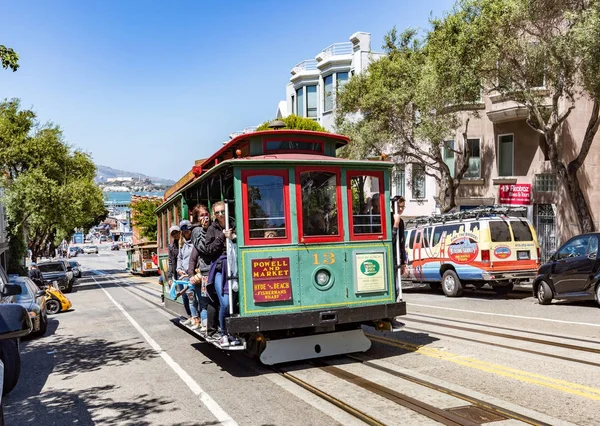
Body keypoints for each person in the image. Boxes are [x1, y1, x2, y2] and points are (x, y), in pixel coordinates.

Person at [205, 201, 237, 347]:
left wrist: (233, 237)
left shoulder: (235, 223)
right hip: (219, 268)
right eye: (217, 212)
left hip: (235, 266)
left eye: (222, 211)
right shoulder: (212, 229)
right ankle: (224, 333)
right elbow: (209, 249)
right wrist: (222, 237)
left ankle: (232, 333)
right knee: (225, 302)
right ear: (214, 214)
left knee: (234, 303)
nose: (220, 215)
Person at [188, 204, 218, 334]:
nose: (205, 217)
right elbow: (205, 249)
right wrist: (205, 229)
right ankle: (207, 327)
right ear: (196, 218)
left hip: (216, 267)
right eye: (201, 215)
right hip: (206, 271)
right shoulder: (196, 231)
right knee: (206, 301)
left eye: (206, 214)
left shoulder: (213, 227)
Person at [176, 220, 200, 328]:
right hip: (185, 275)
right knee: (191, 297)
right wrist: (179, 269)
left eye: (187, 230)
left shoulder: (196, 242)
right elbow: (179, 258)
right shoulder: (182, 244)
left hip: (195, 273)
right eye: (183, 231)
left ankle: (201, 319)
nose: (186, 232)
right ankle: (195, 319)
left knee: (200, 297)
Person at [390, 195, 407, 330]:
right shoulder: (391, 218)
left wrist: (404, 262)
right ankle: (390, 317)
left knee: (396, 288)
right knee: (392, 288)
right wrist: (395, 224)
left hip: (396, 259)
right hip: (389, 259)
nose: (401, 209)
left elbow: (402, 243)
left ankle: (393, 317)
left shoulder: (401, 221)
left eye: (403, 207)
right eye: (399, 207)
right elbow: (391, 240)